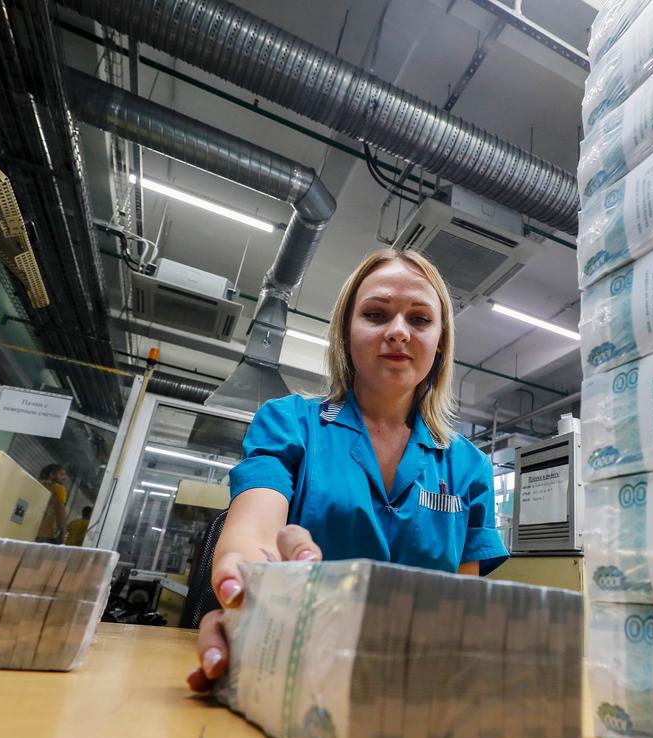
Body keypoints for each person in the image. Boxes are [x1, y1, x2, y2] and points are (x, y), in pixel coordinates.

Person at [187, 248, 509, 691]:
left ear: (440, 343)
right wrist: (245, 580)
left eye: (419, 320)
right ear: (346, 333)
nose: (398, 332)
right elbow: (254, 535)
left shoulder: (469, 466)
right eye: (376, 314)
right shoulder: (290, 424)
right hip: (295, 673)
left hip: (414, 687)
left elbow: (464, 612)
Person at [36, 463, 69, 544]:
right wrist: (64, 533)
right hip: (45, 533)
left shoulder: (35, 484)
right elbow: (60, 512)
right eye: (61, 474)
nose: (65, 478)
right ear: (52, 475)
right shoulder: (59, 489)